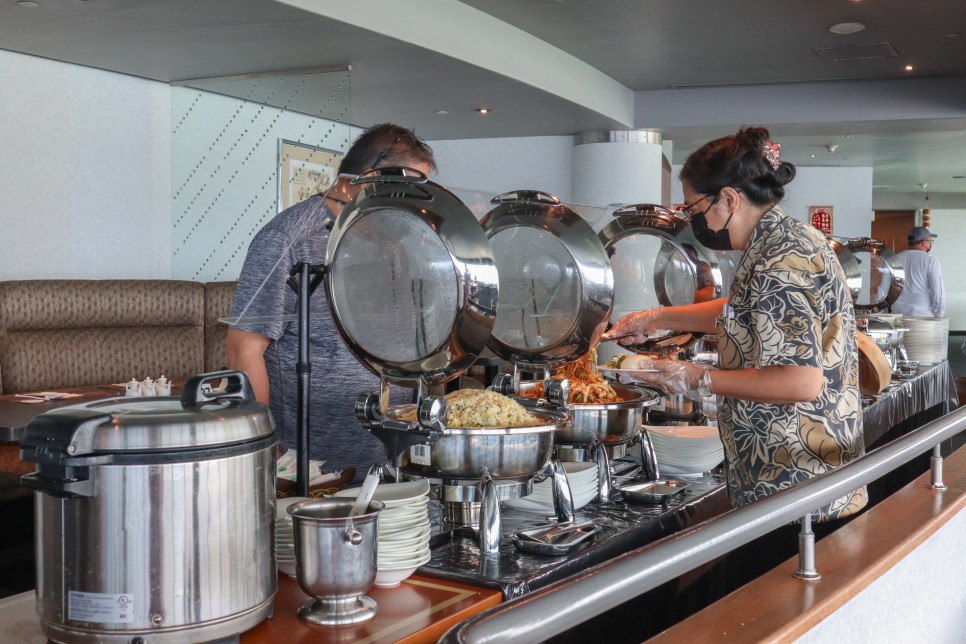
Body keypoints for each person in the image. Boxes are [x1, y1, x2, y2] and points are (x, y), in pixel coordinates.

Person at [604, 127, 867, 525]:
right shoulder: (781, 240)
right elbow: (746, 309)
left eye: (694, 209)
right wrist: (656, 318)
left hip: (795, 486)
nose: (695, 219)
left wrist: (697, 377)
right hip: (798, 477)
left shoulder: (780, 260)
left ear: (729, 198)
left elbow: (800, 383)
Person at [227, 123, 437, 485]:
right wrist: (266, 451)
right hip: (318, 464)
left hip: (396, 450)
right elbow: (243, 347)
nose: (416, 202)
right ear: (371, 178)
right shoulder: (287, 238)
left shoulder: (394, 240)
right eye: (412, 187)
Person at [891, 226, 945, 319]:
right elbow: (937, 291)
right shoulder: (930, 261)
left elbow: (887, 287)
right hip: (922, 315)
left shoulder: (895, 259)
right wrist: (938, 314)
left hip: (898, 314)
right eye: (930, 241)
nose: (930, 244)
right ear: (924, 243)